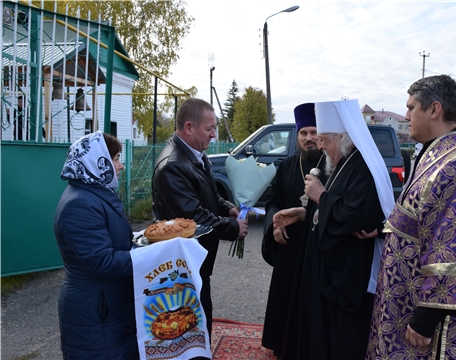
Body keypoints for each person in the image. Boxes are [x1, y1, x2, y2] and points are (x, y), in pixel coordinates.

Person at [367, 75, 456, 359]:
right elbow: (421, 216)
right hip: (410, 295)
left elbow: (455, 247)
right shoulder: (439, 153)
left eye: (411, 108)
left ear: (434, 110)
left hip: (437, 317)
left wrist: (425, 319)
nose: (406, 116)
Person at [275, 99, 395, 359]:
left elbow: (356, 218)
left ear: (341, 138)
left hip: (347, 273)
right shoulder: (341, 163)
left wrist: (320, 197)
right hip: (329, 267)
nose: (319, 145)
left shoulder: (362, 167)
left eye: (324, 139)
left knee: (341, 340)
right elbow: (336, 209)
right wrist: (305, 213)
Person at [152, 97, 249, 340]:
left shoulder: (196, 155)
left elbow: (211, 195)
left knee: (200, 312)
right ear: (188, 127)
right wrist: (232, 228)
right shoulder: (172, 165)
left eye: (214, 127)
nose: (214, 134)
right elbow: (193, 216)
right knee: (187, 317)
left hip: (197, 256)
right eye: (209, 128)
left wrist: (228, 209)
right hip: (182, 260)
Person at [54, 131, 139, 359]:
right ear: (96, 161)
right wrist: (154, 255)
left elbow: (114, 241)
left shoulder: (94, 194)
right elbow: (103, 262)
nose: (121, 166)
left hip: (106, 306)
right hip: (96, 311)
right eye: (116, 159)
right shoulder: (79, 204)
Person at [261, 103, 328, 357]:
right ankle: (282, 343)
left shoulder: (331, 165)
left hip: (315, 244)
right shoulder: (288, 165)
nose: (308, 138)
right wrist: (274, 223)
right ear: (297, 136)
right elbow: (272, 199)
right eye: (303, 133)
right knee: (285, 295)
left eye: (313, 132)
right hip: (289, 245)